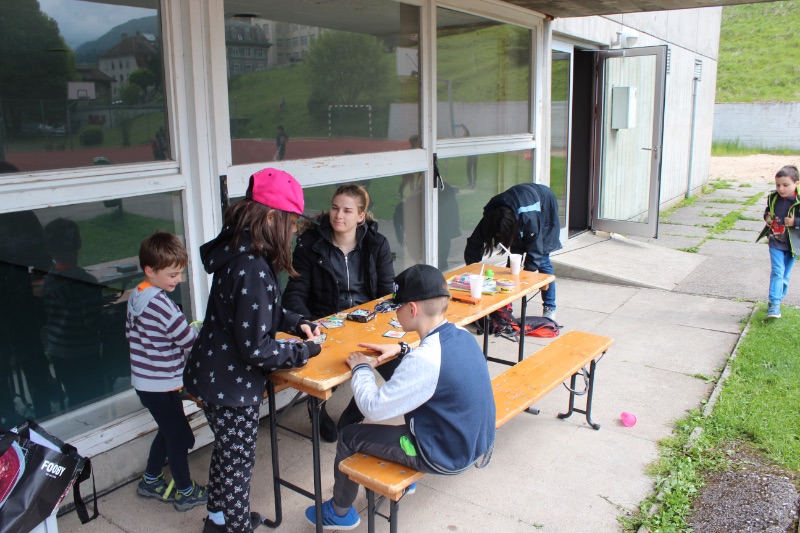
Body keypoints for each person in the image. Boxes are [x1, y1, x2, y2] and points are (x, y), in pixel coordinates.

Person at [303, 263, 496, 530]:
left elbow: (373, 408)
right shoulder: (461, 334)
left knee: (348, 436)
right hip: (474, 441)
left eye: (397, 307)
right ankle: (398, 469)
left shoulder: (425, 360)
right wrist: (402, 349)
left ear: (412, 309)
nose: (395, 312)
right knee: (400, 393)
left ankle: (339, 512)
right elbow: (434, 369)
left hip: (446, 455)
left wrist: (361, 368)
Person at [184, 168, 322, 533]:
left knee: (227, 453)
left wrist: (296, 322)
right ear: (272, 217)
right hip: (230, 387)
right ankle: (236, 527)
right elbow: (257, 349)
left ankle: (217, 521)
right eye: (292, 222)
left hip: (213, 375)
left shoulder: (239, 250)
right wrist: (303, 352)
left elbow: (258, 312)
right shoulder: (253, 268)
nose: (294, 231)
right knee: (238, 464)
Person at [283, 184, 395, 443]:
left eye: (347, 210)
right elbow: (295, 292)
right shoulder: (310, 245)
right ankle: (317, 407)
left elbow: (387, 294)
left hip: (368, 323)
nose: (338, 215)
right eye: (335, 208)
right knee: (324, 360)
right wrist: (306, 323)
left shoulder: (376, 244)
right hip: (325, 322)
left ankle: (355, 412)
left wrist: (381, 322)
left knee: (399, 365)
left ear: (361, 216)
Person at [126, 232, 207, 511]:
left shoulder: (137, 295)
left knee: (168, 429)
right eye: (172, 275)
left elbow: (132, 334)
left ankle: (150, 479)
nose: (178, 279)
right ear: (150, 270)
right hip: (161, 384)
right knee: (178, 437)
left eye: (180, 273)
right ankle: (185, 490)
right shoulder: (161, 304)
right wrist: (201, 333)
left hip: (147, 382)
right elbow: (188, 340)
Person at [464, 182, 562, 320]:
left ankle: (550, 307)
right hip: (519, 207)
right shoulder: (492, 218)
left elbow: (535, 251)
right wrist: (473, 271)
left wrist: (525, 282)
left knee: (543, 261)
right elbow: (474, 244)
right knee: (512, 264)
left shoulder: (529, 218)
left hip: (544, 204)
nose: (498, 238)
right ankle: (506, 306)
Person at [43, 218, 104, 410]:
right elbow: (90, 322)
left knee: (75, 395)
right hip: (83, 351)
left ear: (50, 249)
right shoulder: (86, 282)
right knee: (94, 398)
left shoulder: (49, 278)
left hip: (58, 350)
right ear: (78, 245)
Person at [759, 165, 800, 319]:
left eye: (785, 185)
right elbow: (767, 211)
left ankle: (777, 299)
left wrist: (795, 222)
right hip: (776, 240)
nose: (781, 189)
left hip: (794, 244)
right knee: (777, 271)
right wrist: (767, 218)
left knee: (785, 274)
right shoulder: (773, 197)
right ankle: (775, 305)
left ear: (796, 183)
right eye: (778, 185)